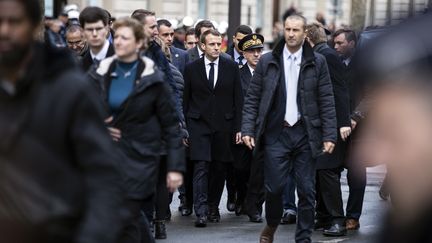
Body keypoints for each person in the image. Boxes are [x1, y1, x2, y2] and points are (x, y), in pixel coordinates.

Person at [0, 0, 124, 242]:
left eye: (14, 22)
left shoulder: (69, 88)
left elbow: (104, 178)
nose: (4, 31)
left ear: (35, 26)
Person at [87, 17, 185, 243]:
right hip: (108, 156)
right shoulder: (100, 72)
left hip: (141, 156)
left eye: (125, 38)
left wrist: (175, 167)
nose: (119, 42)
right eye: (117, 37)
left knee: (133, 214)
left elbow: (170, 123)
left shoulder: (153, 77)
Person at [241, 14, 337, 243]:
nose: (291, 34)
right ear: (283, 31)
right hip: (277, 133)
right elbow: (253, 98)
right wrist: (247, 129)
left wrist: (329, 134)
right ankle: (272, 223)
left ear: (305, 33)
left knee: (306, 190)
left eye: (296, 30)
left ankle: (303, 237)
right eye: (288, 29)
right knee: (274, 188)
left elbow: (326, 99)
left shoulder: (318, 62)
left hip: (305, 133)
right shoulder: (268, 61)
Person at [183, 29, 242, 227]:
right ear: (202, 46)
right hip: (198, 124)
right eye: (212, 44)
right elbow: (186, 99)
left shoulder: (231, 67)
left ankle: (212, 207)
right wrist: (184, 127)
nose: (217, 47)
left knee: (219, 168)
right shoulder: (191, 68)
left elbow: (238, 99)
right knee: (201, 166)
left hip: (223, 125)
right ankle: (200, 211)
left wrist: (239, 128)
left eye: (219, 44)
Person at [305, 23, 351, 237]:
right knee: (319, 172)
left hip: (330, 126)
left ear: (307, 38)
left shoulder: (327, 57)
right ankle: (323, 216)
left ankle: (337, 220)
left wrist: (343, 122)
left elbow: (340, 91)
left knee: (327, 172)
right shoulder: (319, 54)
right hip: (320, 126)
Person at [333, 28, 366, 231]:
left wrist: (356, 117)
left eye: (340, 43)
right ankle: (332, 214)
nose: (335, 47)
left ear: (352, 44)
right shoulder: (333, 62)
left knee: (356, 172)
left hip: (358, 128)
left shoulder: (364, 65)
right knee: (330, 172)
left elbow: (373, 95)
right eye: (334, 43)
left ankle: (353, 216)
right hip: (335, 125)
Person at [236, 33, 266, 223]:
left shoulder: (270, 73)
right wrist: (239, 129)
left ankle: (255, 206)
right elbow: (235, 104)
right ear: (244, 53)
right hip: (243, 129)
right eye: (251, 51)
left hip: (263, 130)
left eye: (258, 51)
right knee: (240, 169)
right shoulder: (237, 75)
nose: (256, 54)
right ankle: (241, 197)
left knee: (260, 171)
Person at [79, 6, 115, 72]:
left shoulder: (122, 58)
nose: (94, 34)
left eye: (99, 29)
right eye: (89, 29)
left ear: (107, 28)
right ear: (82, 31)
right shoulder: (79, 65)